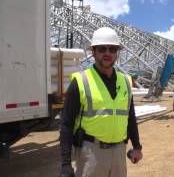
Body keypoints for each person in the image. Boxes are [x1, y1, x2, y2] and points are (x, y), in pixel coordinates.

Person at [60, 27, 143, 177]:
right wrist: (65, 163)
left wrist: (137, 146)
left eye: (112, 49)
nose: (107, 53)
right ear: (93, 51)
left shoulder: (125, 81)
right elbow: (66, 123)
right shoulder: (81, 81)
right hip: (91, 153)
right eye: (102, 49)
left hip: (119, 152)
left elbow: (130, 117)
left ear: (117, 53)